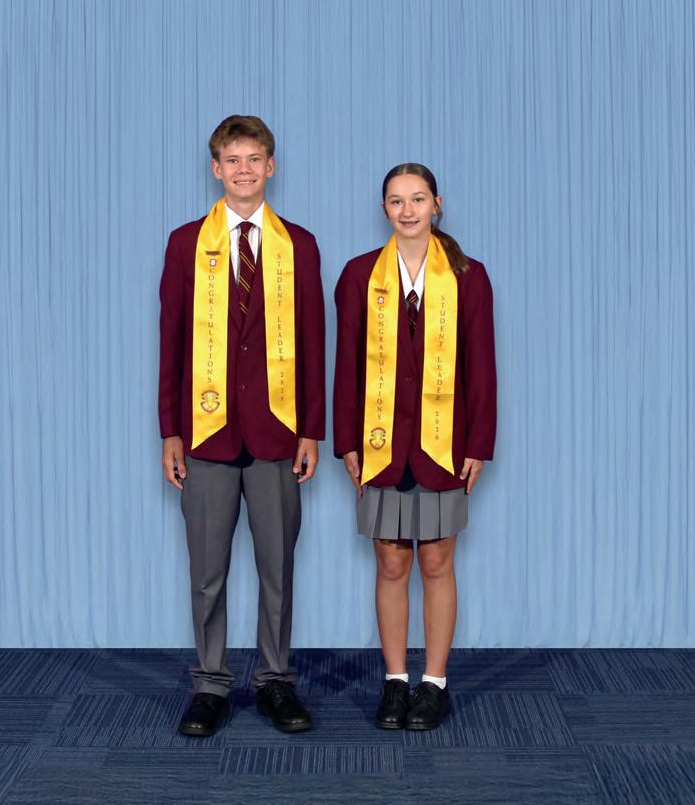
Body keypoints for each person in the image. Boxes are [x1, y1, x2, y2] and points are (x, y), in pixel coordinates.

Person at [158, 115, 325, 736]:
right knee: (208, 570)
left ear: (271, 167)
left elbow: (313, 342)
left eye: (255, 159)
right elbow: (171, 340)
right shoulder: (185, 243)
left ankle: (276, 679)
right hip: (207, 433)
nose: (244, 170)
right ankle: (209, 683)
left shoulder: (298, 245)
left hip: (278, 431)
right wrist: (170, 430)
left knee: (277, 567)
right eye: (233, 160)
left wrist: (311, 429)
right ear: (215, 169)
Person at [333, 163, 496, 731]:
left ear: (437, 205)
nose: (408, 210)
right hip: (381, 443)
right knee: (391, 562)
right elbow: (347, 365)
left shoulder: (468, 276)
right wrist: (347, 440)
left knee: (437, 561)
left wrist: (478, 442)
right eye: (397, 200)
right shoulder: (359, 275)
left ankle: (435, 684)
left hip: (443, 443)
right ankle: (396, 680)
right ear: (383, 209)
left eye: (418, 199)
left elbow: (481, 365)